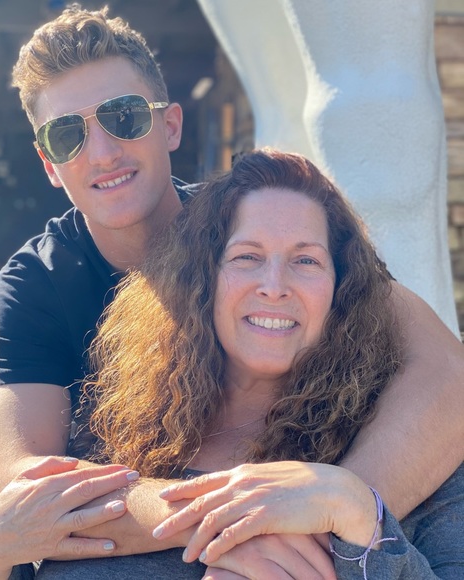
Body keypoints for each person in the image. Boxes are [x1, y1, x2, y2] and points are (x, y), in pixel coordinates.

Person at [0, 2, 464, 578]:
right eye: (66, 135)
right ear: (49, 163)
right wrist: (241, 519)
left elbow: (446, 373)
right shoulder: (39, 281)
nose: (101, 152)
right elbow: (16, 500)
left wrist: (330, 512)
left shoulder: (256, 223)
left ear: (170, 125)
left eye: (124, 117)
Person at [37, 148, 464, 578]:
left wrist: (352, 508)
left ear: (341, 288)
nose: (274, 286)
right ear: (202, 277)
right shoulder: (110, 438)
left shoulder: (413, 454)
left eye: (306, 260)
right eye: (247, 256)